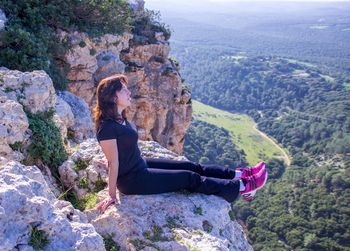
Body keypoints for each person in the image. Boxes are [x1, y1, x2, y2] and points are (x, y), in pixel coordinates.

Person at [93, 74, 268, 214]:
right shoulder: (107, 127)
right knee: (188, 177)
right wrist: (111, 194)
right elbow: (114, 160)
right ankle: (242, 186)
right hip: (133, 180)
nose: (129, 93)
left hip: (140, 164)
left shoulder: (119, 118)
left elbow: (118, 148)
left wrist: (108, 158)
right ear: (114, 97)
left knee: (190, 165)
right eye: (124, 91)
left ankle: (239, 174)